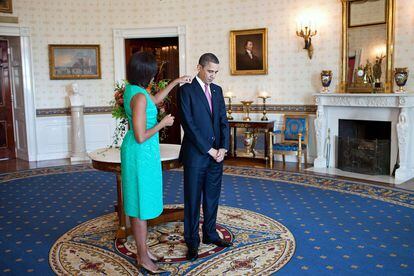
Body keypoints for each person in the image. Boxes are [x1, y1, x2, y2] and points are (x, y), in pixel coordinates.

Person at [121, 51, 191, 273]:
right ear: (146, 73)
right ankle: (142, 256)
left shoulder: (135, 90)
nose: (154, 76)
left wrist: (175, 83)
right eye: (152, 72)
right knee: (140, 205)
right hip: (140, 152)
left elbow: (156, 99)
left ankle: (143, 249)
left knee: (138, 201)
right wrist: (164, 123)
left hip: (141, 152)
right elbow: (141, 135)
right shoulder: (140, 97)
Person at [178, 53, 232, 262]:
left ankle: (210, 234)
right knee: (193, 200)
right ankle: (192, 241)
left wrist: (223, 148)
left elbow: (223, 121)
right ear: (198, 67)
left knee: (212, 198)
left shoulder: (217, 91)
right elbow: (188, 126)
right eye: (210, 71)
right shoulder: (186, 91)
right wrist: (209, 149)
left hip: (216, 156)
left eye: (216, 72)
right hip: (196, 156)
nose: (213, 76)